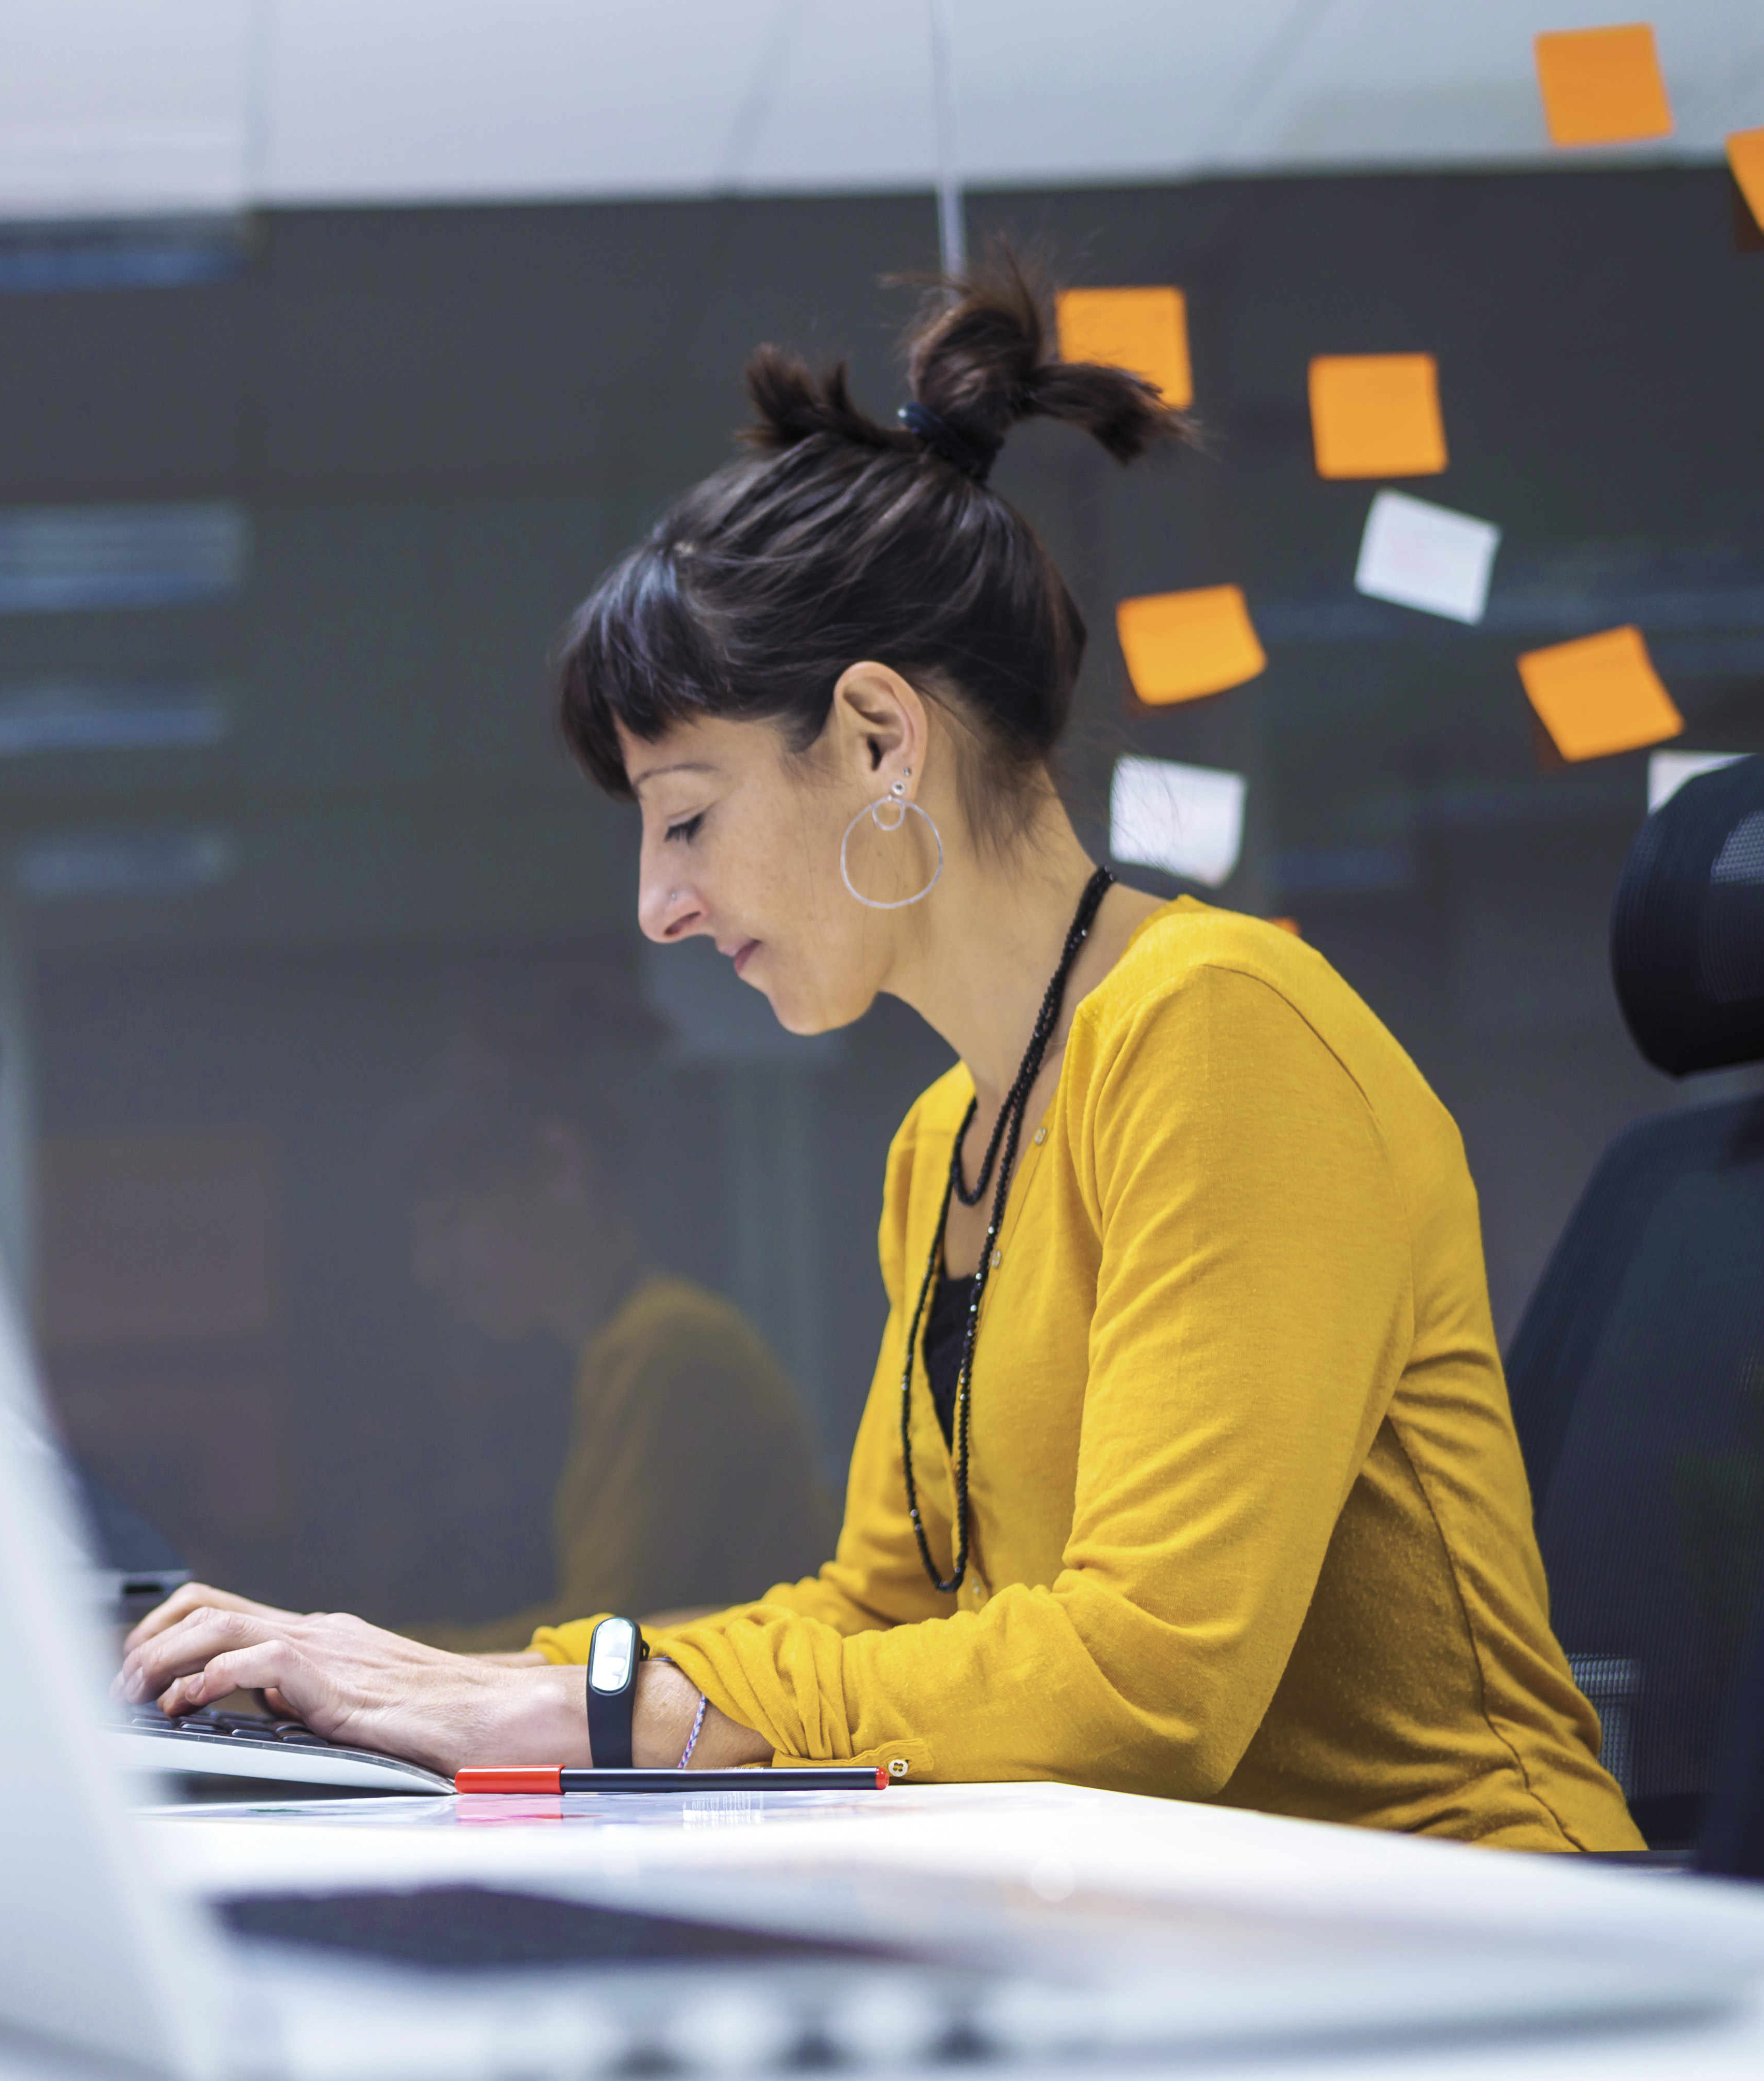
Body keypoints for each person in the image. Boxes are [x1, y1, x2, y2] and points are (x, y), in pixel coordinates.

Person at [119, 252, 1639, 1851]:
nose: (658, 905)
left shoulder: (1218, 1035)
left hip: (1463, 1925)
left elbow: (1147, 1685)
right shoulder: (948, 1146)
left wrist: (589, 1710)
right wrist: (469, 1681)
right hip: (1164, 1911)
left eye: (686, 817)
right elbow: (880, 1610)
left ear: (875, 737)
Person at [398, 1040, 831, 1650]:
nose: (429, 1266)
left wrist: (387, 1659)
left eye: (452, 1220)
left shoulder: (667, 1345)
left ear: (560, 1165)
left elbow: (603, 1635)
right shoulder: (630, 1343)